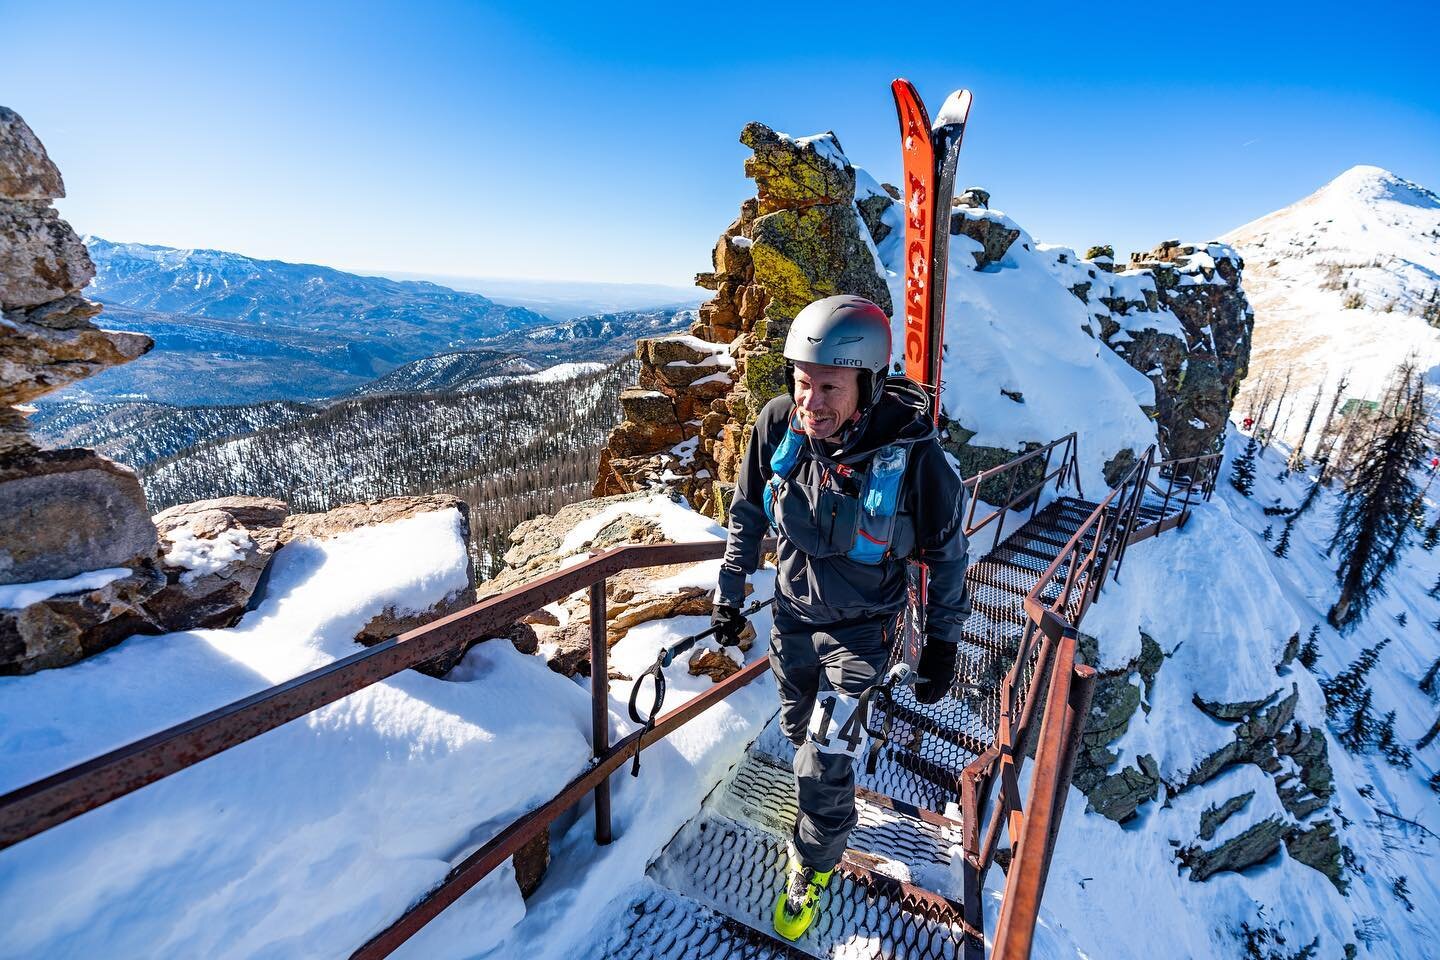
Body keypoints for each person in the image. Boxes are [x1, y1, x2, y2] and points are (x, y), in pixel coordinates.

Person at [710, 294, 971, 940]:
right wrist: (731, 585)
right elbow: (747, 510)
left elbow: (947, 555)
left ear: (869, 384)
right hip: (793, 620)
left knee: (824, 759)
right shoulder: (779, 429)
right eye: (802, 382)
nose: (811, 402)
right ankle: (827, 792)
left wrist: (943, 644)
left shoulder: (916, 461)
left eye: (829, 386)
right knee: (802, 732)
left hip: (864, 637)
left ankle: (816, 857)